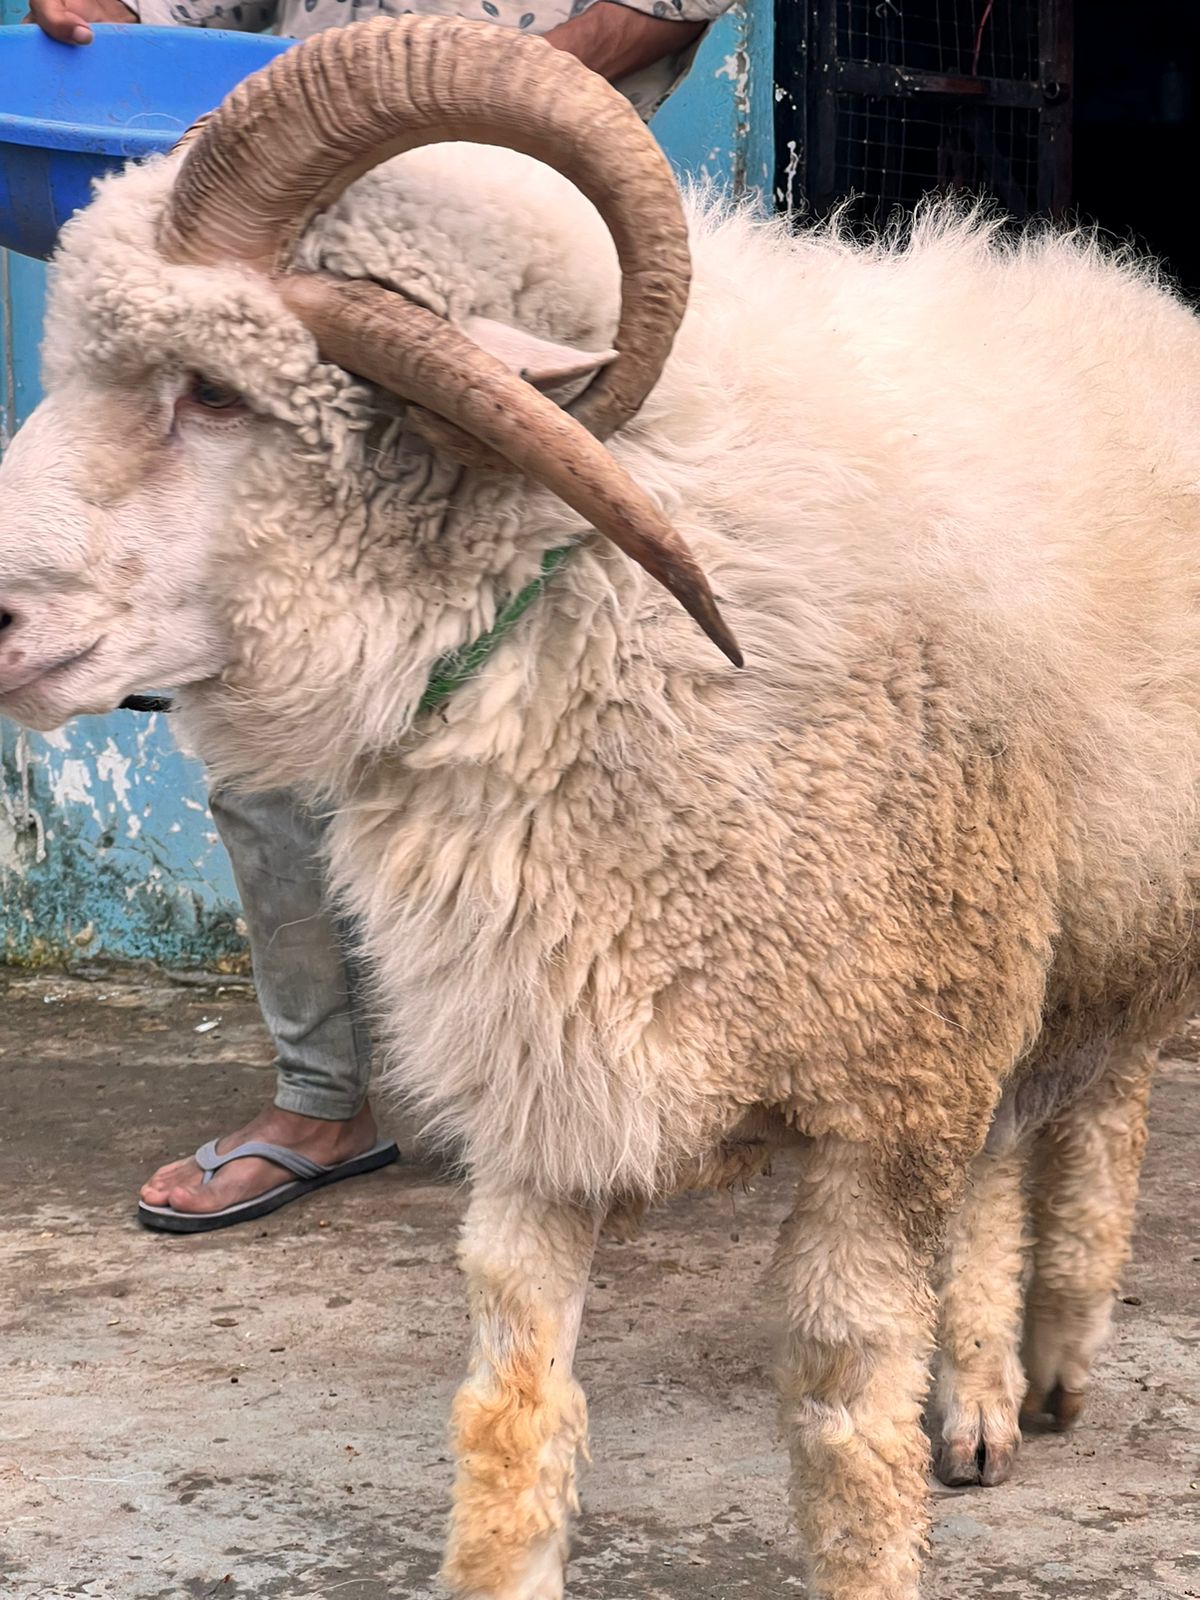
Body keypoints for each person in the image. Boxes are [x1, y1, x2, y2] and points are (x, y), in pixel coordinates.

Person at [27, 0, 732, 1232]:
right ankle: (323, 1097)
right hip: (274, 259)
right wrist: (119, 15)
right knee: (268, 705)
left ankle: (621, 1083)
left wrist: (458, 105)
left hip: (497, 248)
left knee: (586, 720)